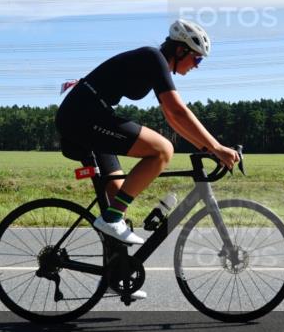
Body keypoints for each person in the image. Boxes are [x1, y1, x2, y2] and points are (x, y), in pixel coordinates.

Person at [56, 19, 240, 247]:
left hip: (87, 117)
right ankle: (111, 219)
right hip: (83, 117)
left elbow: (174, 120)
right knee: (162, 150)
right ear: (181, 50)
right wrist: (217, 147)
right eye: (197, 58)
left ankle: (116, 276)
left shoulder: (154, 63)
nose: (197, 65)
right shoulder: (153, 58)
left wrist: (207, 148)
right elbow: (178, 111)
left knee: (118, 196)